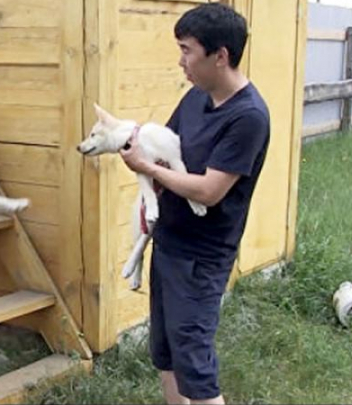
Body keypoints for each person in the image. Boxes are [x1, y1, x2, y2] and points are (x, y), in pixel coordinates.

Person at [119, 3, 270, 404]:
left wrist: (145, 166)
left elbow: (210, 190)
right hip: (169, 242)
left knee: (194, 362)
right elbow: (161, 150)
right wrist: (135, 148)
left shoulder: (248, 117)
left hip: (201, 258)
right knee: (166, 354)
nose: (181, 61)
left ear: (220, 56)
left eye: (187, 50)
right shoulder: (195, 99)